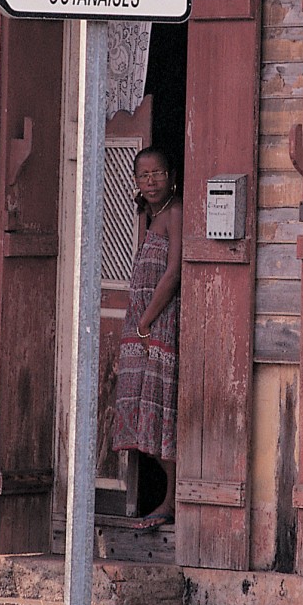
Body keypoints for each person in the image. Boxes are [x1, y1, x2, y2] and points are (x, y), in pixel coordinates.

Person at [111, 147, 183, 529]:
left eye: (158, 173)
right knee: (143, 414)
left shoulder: (175, 213)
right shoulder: (147, 216)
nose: (151, 181)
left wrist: (146, 323)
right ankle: (165, 498)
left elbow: (172, 275)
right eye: (144, 175)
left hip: (159, 325)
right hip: (140, 329)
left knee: (161, 414)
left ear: (171, 175)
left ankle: (172, 500)